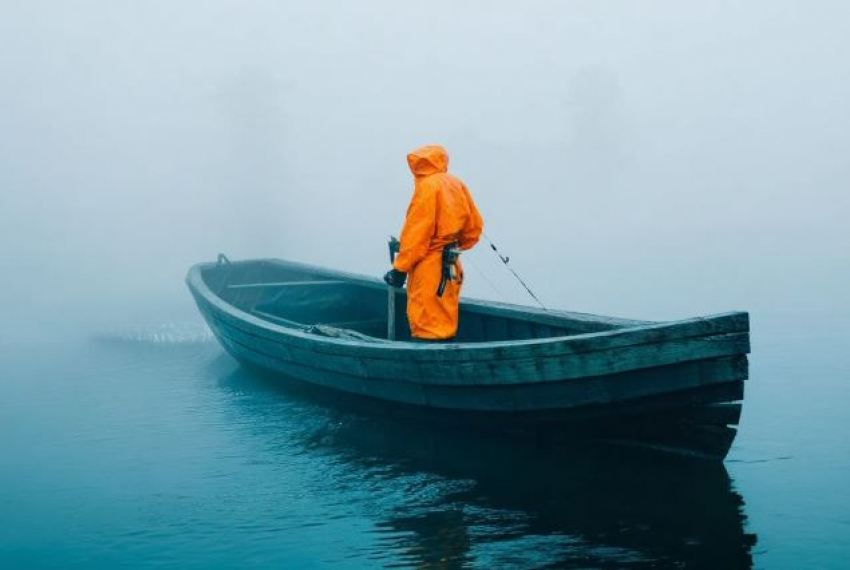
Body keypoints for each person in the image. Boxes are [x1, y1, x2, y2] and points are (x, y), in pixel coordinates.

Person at [384, 145, 484, 341]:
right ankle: (447, 362)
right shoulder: (457, 184)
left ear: (416, 166)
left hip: (429, 269)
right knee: (446, 321)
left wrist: (399, 269)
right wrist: (451, 245)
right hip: (452, 266)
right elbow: (474, 229)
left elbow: (416, 234)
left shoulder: (427, 187)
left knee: (427, 326)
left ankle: (427, 366)